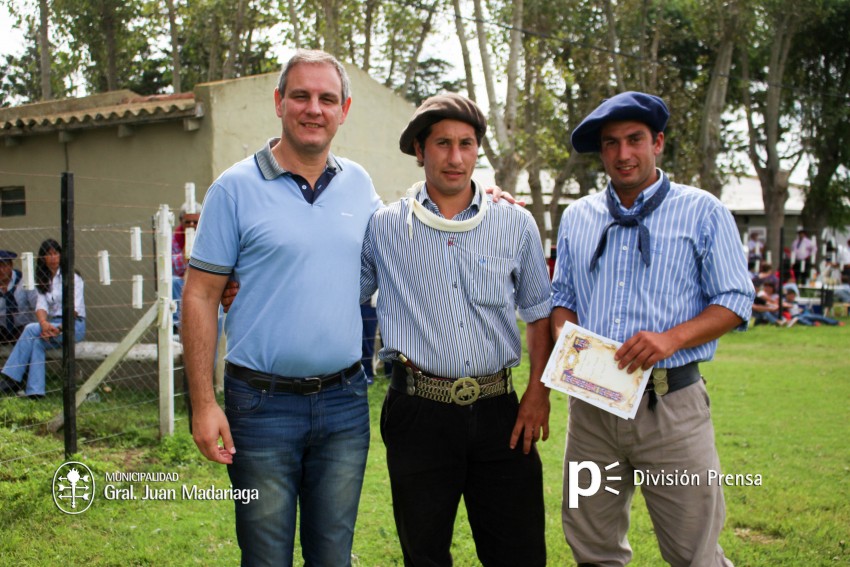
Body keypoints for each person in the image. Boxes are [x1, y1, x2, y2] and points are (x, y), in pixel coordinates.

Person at [551, 91, 754, 566]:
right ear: (601, 152)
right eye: (611, 143)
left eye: (635, 140)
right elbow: (564, 298)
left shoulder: (702, 211)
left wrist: (670, 339)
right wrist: (567, 337)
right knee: (592, 547)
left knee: (692, 553)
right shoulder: (577, 217)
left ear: (657, 142)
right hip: (593, 412)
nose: (623, 153)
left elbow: (735, 299)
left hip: (671, 408)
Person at [360, 93, 553, 566]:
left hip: (500, 411)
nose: (455, 157)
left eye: (466, 144)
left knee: (519, 552)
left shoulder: (514, 223)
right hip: (418, 412)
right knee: (424, 553)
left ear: (477, 150)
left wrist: (538, 393)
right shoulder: (384, 227)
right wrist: (244, 283)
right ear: (419, 149)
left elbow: (539, 312)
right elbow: (341, 293)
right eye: (442, 143)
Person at [0, 239, 86, 399]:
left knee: (30, 329)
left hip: (73, 325)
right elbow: (41, 306)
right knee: (37, 343)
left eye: (55, 253)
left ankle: (10, 376)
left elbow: (73, 309)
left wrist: (58, 328)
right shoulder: (43, 279)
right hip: (51, 325)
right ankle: (35, 392)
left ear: (61, 255)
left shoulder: (72, 277)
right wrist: (45, 324)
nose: (53, 258)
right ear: (43, 258)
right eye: (48, 254)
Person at [172, 206, 200, 335]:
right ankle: (178, 327)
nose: (191, 225)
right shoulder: (176, 238)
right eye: (188, 222)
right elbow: (172, 267)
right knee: (173, 282)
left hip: (203, 280)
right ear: (181, 222)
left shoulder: (209, 235)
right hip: (182, 281)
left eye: (195, 222)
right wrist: (185, 252)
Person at [0, 249, 37, 344]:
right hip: (2, 328)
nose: (1, 270)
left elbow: (37, 304)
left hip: (22, 326)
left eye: (4, 266)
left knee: (27, 333)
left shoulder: (24, 281)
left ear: (11, 266)